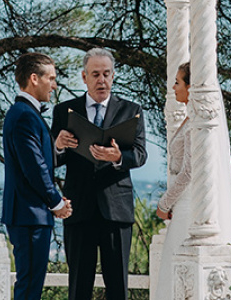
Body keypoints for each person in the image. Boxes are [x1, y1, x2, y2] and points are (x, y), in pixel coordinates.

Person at [51, 47, 147, 300]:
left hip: (116, 209)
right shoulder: (64, 111)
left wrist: (118, 158)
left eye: (106, 74)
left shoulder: (132, 110)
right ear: (84, 77)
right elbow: (52, 160)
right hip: (79, 209)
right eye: (95, 74)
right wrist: (58, 145)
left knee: (117, 287)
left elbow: (140, 154)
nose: (101, 80)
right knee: (79, 286)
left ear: (113, 76)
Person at [154, 62, 231, 300]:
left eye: (178, 82)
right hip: (183, 204)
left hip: (188, 207)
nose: (173, 87)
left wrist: (164, 204)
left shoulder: (196, 126)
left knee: (176, 275)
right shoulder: (190, 118)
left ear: (192, 87)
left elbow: (189, 172)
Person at [2, 52, 73, 300]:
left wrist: (56, 147)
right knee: (29, 287)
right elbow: (34, 168)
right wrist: (56, 203)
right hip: (29, 216)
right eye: (51, 78)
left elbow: (37, 159)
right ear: (34, 78)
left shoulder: (25, 114)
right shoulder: (24, 115)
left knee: (30, 285)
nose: (54, 85)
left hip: (28, 214)